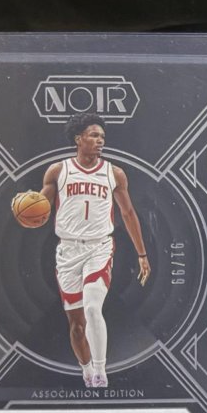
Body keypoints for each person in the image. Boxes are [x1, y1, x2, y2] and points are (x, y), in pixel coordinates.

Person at [14, 113, 150, 388]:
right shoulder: (58, 171)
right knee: (77, 326)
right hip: (68, 251)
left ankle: (100, 372)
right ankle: (86, 370)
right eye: (94, 135)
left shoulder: (114, 173)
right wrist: (25, 209)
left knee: (92, 307)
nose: (100, 140)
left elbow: (128, 213)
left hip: (99, 247)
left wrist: (142, 254)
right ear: (79, 138)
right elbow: (41, 210)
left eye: (102, 136)